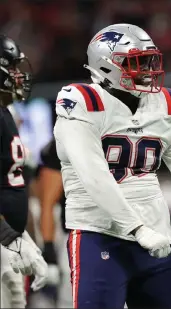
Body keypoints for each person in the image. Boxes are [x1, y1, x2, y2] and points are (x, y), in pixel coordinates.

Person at [54, 24, 171, 309]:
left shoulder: (164, 103)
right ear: (106, 66)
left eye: (149, 60)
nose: (148, 70)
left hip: (156, 238)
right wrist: (137, 229)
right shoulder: (81, 102)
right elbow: (94, 175)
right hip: (98, 235)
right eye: (135, 62)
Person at [0, 34, 48, 308]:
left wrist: (23, 238)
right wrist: (11, 237)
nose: (19, 75)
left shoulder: (5, 112)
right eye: (12, 68)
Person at [36, 138, 72, 308]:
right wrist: (48, 249)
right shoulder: (65, 139)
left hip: (123, 235)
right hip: (78, 236)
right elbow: (48, 202)